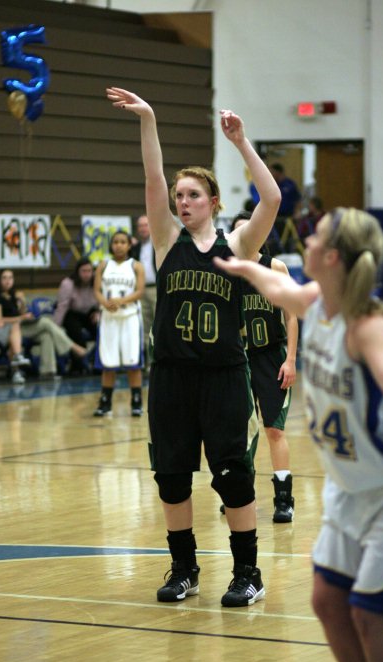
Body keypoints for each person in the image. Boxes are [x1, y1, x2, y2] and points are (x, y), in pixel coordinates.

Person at [214, 207, 383, 662]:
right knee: (328, 602)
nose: (305, 242)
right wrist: (239, 265)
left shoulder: (366, 324)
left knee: (370, 615)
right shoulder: (316, 300)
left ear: (332, 257)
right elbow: (277, 289)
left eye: (315, 239)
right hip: (347, 491)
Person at [106, 86, 280, 607]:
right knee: (172, 477)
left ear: (214, 202)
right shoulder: (164, 242)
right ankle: (184, 568)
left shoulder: (240, 244)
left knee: (233, 477)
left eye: (193, 196)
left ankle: (248, 572)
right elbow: (152, 178)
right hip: (173, 378)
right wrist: (149, 119)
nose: (182, 202)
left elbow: (271, 199)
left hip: (225, 377)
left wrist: (242, 142)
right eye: (179, 196)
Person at [227, 211, 298, 523]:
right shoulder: (227, 271)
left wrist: (291, 358)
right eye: (238, 232)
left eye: (250, 230)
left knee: (273, 429)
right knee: (242, 430)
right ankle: (241, 493)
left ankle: (284, 499)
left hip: (271, 356)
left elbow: (292, 315)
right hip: (238, 358)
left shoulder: (275, 267)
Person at [0, 269, 87, 381]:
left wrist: (22, 303)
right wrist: (21, 318)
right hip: (8, 330)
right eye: (4, 278)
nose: (8, 281)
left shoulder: (13, 295)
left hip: (22, 326)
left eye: (10, 278)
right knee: (45, 322)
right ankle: (74, 347)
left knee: (46, 335)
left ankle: (48, 372)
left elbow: (21, 313)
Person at [93, 230, 145, 417]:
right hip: (108, 318)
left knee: (133, 362)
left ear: (129, 245)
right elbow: (97, 290)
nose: (119, 245)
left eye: (123, 242)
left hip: (130, 317)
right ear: (111, 244)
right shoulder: (103, 265)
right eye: (115, 242)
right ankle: (105, 401)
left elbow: (140, 291)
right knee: (108, 362)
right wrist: (104, 302)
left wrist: (120, 302)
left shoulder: (136, 266)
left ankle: (136, 401)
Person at [0, 268, 30, 383]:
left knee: (14, 328)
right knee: (13, 332)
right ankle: (16, 366)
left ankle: (16, 362)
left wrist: (21, 302)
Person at [53, 257, 100, 373]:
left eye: (89, 271)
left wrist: (99, 313)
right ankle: (78, 366)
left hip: (89, 312)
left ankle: (97, 362)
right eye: (84, 271)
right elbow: (62, 307)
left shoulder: (96, 282)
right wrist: (55, 328)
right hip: (71, 313)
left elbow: (101, 300)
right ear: (78, 272)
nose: (87, 274)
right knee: (76, 332)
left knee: (101, 330)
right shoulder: (68, 284)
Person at [130, 214, 157, 372]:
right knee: (144, 327)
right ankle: (149, 363)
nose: (143, 228)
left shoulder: (159, 243)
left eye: (145, 225)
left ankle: (160, 360)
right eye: (140, 226)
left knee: (159, 325)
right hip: (140, 290)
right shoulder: (135, 247)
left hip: (157, 288)